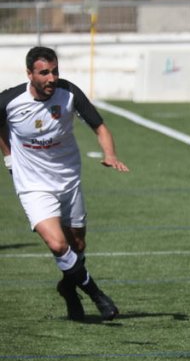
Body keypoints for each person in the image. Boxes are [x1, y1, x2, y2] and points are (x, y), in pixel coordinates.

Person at [0, 46, 128, 321]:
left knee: (77, 245)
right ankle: (97, 295)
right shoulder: (9, 100)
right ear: (29, 74)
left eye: (55, 71)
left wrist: (110, 154)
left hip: (69, 180)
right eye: (44, 73)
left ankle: (68, 288)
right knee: (58, 245)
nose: (52, 78)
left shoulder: (69, 92)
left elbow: (100, 127)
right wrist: (9, 158)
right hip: (33, 185)